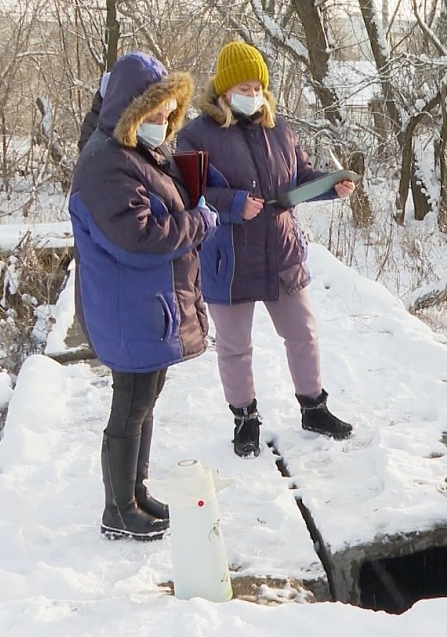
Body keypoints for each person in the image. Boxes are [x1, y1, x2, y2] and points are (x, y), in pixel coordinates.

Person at [175, 41, 356, 458]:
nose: (253, 93)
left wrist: (332, 186)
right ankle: (244, 420)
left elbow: (301, 177)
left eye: (258, 86)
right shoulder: (195, 135)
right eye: (243, 86)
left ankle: (314, 407)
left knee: (303, 333)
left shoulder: (281, 129)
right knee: (235, 347)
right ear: (223, 91)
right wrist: (235, 203)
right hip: (229, 257)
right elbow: (188, 191)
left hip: (281, 250)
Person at [68, 52, 218, 540]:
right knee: (130, 405)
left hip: (144, 304)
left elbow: (101, 112)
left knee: (146, 400)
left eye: (168, 114)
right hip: (126, 306)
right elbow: (138, 237)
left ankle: (136, 492)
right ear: (132, 112)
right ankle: (118, 508)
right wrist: (198, 222)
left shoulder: (131, 149)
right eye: (154, 115)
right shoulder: (108, 165)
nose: (163, 123)